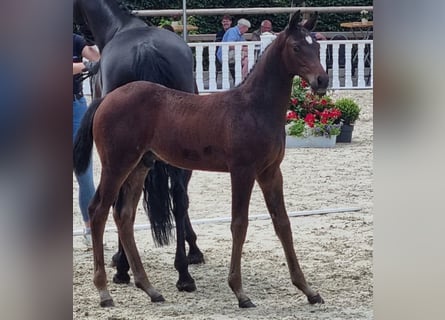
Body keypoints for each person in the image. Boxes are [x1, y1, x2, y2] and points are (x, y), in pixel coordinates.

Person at [73, 33, 100, 248]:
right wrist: (84, 67)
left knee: (84, 171)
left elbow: (97, 56)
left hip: (76, 105)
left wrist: (96, 38)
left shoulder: (73, 39)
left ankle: (90, 227)